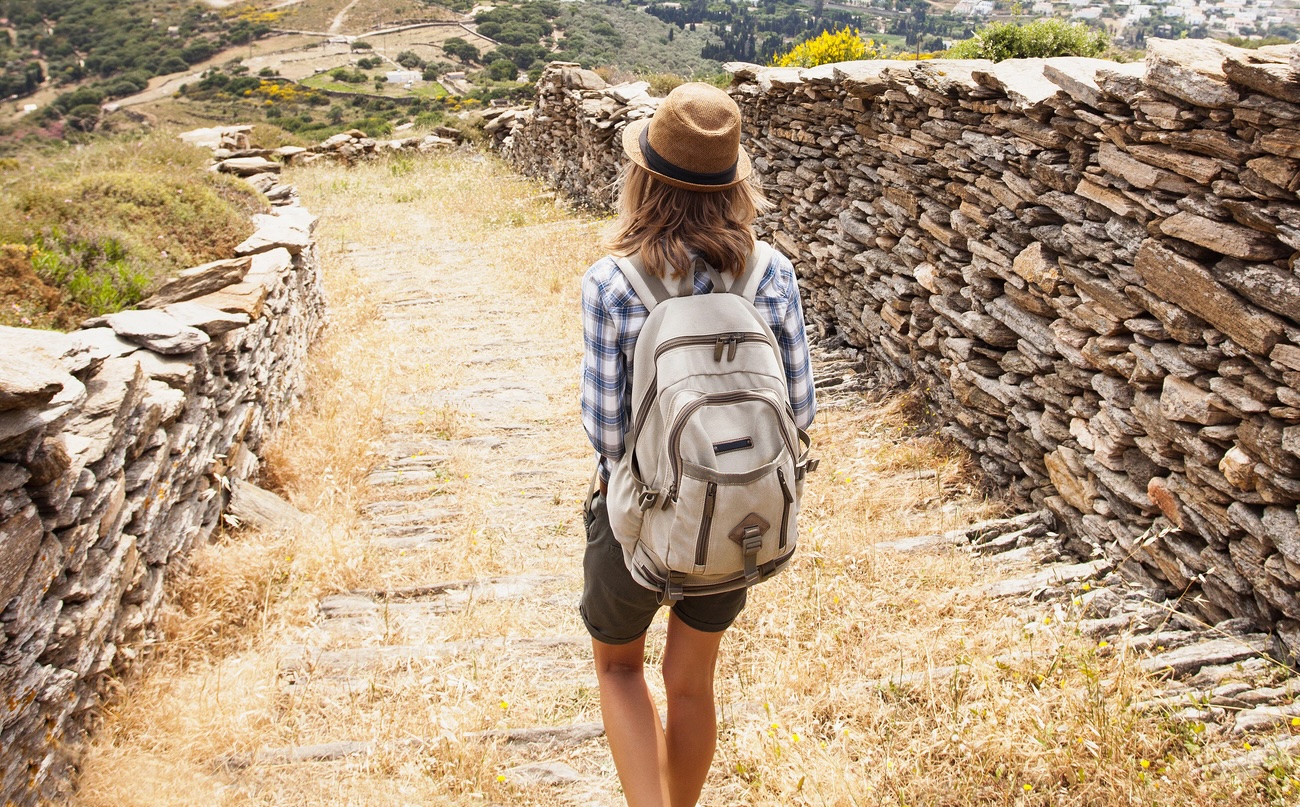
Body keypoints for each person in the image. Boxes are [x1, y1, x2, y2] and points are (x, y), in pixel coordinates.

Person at [578, 82, 817, 807]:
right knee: (692, 683)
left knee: (621, 670)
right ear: (734, 181)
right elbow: (799, 410)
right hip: (735, 520)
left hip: (635, 524)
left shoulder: (613, 283)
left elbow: (609, 432)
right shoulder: (771, 273)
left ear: (642, 176)